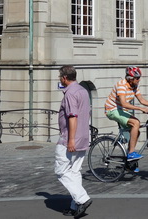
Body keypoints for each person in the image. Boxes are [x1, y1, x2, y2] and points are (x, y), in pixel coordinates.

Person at [55, 65, 92, 218]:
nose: (59, 79)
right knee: (75, 171)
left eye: (60, 77)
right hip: (83, 135)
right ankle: (74, 205)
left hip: (70, 138)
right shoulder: (83, 90)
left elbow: (72, 116)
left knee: (61, 170)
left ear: (64, 78)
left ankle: (82, 199)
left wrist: (70, 140)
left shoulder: (70, 93)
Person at [104, 66, 148, 160]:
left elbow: (141, 100)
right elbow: (124, 103)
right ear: (130, 78)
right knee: (136, 123)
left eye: (139, 77)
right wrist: (141, 109)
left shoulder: (134, 86)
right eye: (137, 78)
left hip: (121, 110)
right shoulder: (121, 85)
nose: (139, 80)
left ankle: (129, 159)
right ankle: (131, 154)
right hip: (112, 109)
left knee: (137, 132)